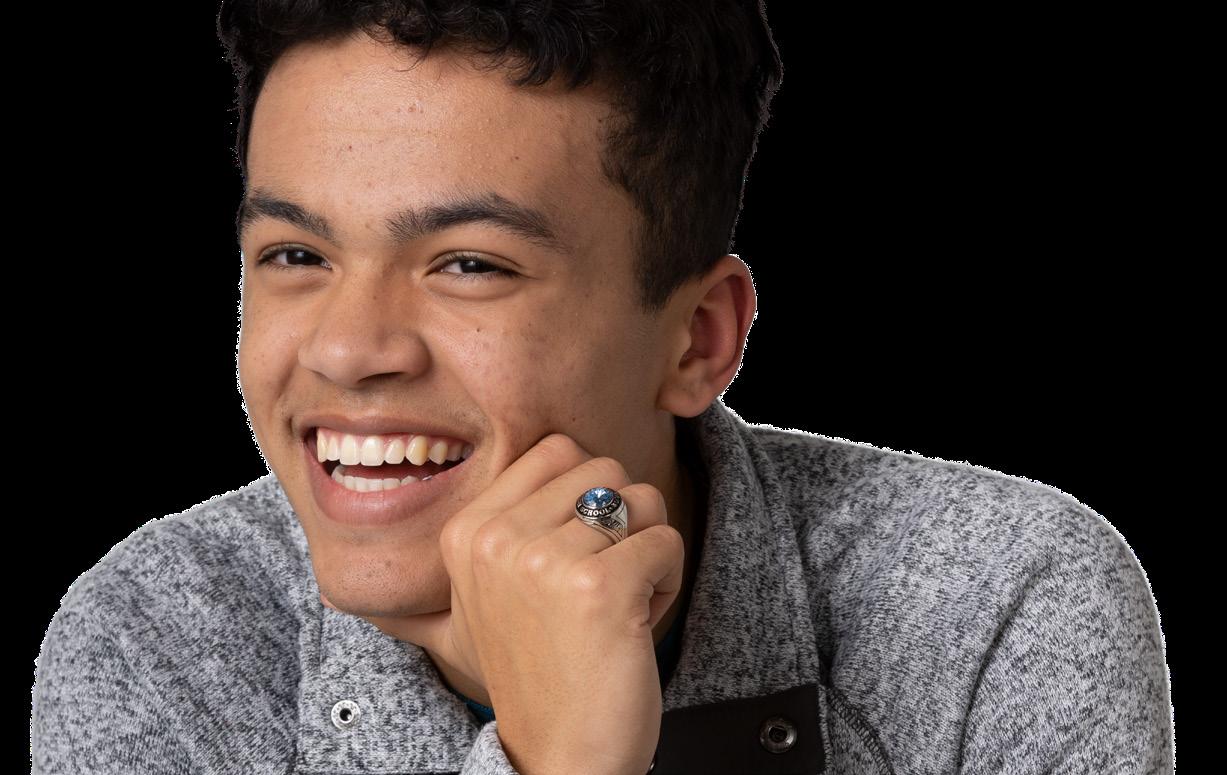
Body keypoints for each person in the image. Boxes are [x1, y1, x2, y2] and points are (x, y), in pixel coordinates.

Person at [31, 2, 1173, 774]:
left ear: (697, 340)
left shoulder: (997, 605)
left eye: (468, 265)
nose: (344, 349)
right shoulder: (160, 638)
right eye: (296, 254)